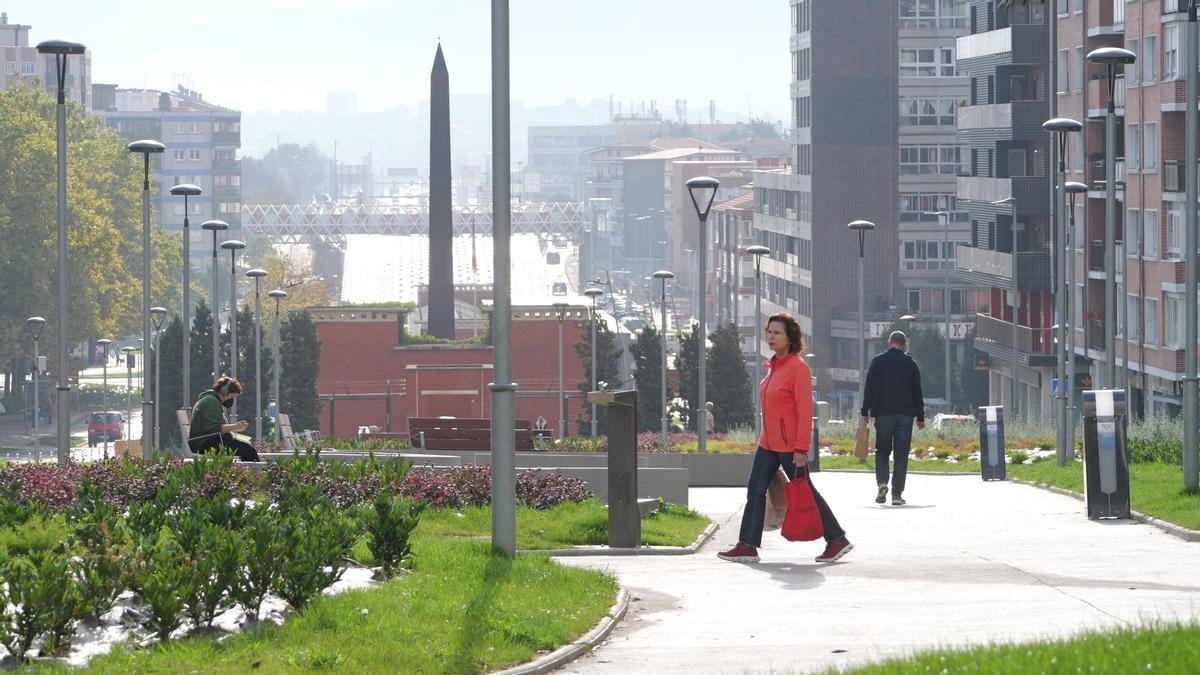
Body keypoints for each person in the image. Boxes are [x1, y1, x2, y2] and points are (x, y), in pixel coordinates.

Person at [719, 312, 853, 564]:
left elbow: (804, 411)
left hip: (791, 446)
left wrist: (802, 448)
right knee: (754, 490)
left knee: (806, 491)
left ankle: (836, 539)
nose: (770, 336)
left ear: (790, 337)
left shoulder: (797, 368)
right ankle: (747, 545)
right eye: (769, 331)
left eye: (776, 332)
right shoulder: (773, 367)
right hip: (767, 443)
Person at [861, 330, 925, 506]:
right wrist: (920, 415)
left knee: (882, 451)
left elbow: (870, 387)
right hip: (905, 415)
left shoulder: (878, 361)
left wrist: (864, 410)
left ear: (889, 343)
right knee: (901, 455)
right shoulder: (910, 364)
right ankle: (896, 495)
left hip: (883, 414)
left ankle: (882, 483)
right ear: (904, 345)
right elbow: (917, 392)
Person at [188, 375, 260, 461]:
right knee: (249, 452)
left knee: (247, 449)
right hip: (204, 444)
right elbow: (213, 429)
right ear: (224, 391)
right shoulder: (211, 401)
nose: (232, 400)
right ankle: (253, 474)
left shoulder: (213, 401)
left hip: (207, 442)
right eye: (232, 397)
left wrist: (234, 431)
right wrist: (235, 427)